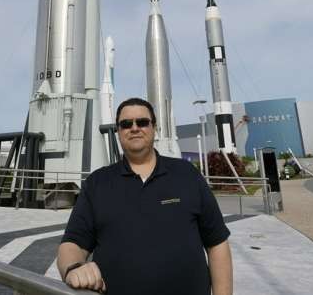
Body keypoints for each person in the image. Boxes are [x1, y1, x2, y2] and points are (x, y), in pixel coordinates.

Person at [57, 97, 232, 295]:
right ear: (118, 132)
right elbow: (72, 243)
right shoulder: (97, 184)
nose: (134, 128)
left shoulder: (186, 174)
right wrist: (73, 268)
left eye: (142, 122)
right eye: (126, 124)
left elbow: (217, 243)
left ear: (154, 127)